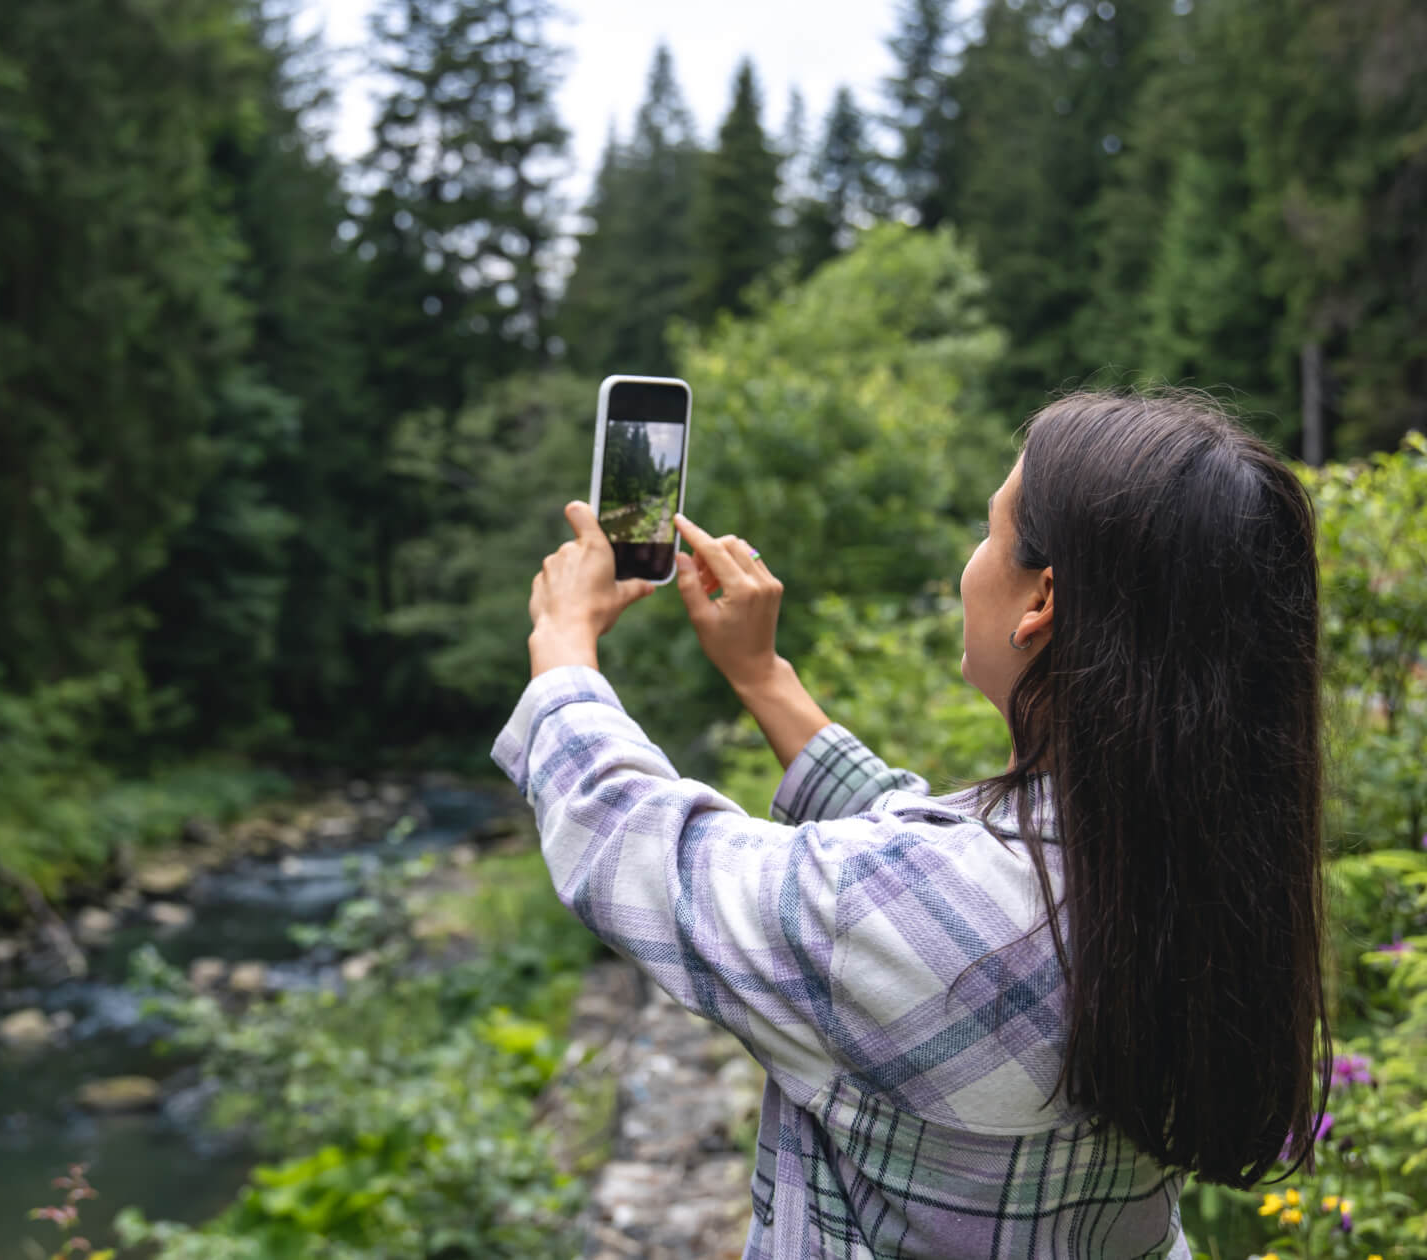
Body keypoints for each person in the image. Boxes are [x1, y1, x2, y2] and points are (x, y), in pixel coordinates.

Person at [493, 391, 1329, 1258]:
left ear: (1040, 600)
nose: (972, 560)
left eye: (988, 531)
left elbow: (639, 849)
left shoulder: (903, 906)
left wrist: (563, 651)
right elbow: (935, 867)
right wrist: (762, 675)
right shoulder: (1197, 859)